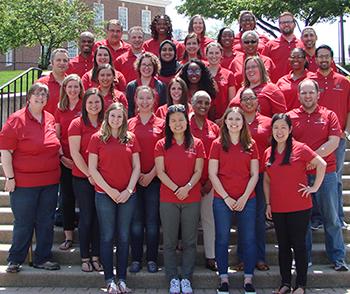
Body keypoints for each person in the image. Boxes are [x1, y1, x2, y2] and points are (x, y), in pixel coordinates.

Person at [287, 79, 348, 272]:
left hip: (326, 174)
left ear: (317, 94)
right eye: (303, 93)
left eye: (310, 92)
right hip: (300, 176)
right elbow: (288, 144)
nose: (307, 96)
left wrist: (312, 158)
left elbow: (334, 142)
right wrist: (308, 160)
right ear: (298, 96)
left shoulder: (329, 115)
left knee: (331, 218)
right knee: (302, 221)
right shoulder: (290, 117)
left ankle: (338, 257)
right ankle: (304, 258)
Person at [1, 83, 61, 273]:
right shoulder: (16, 120)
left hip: (50, 182)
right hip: (24, 183)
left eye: (44, 94)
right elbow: (5, 152)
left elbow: (54, 144)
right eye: (36, 94)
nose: (41, 97)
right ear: (29, 97)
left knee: (46, 221)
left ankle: (42, 258)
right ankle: (15, 259)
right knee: (24, 222)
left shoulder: (50, 118)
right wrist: (9, 177)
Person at [263, 113, 326, 294]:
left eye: (283, 127)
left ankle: (300, 285)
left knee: (299, 245)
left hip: (299, 207)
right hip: (278, 207)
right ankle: (285, 283)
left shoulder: (301, 148)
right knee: (283, 246)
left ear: (290, 130)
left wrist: (314, 188)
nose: (279, 131)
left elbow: (320, 164)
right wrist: (268, 203)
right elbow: (267, 179)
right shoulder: (269, 152)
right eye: (276, 128)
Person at [88, 102, 140, 293]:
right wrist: (109, 190)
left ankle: (122, 279)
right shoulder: (97, 138)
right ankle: (109, 279)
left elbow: (137, 167)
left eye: (120, 116)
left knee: (124, 236)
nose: (116, 120)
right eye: (113, 116)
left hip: (128, 195)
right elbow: (93, 168)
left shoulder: (131, 138)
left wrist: (128, 190)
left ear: (124, 119)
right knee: (107, 236)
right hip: (104, 195)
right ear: (107, 117)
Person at [155, 104, 205, 294]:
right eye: (173, 120)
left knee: (190, 241)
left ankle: (186, 278)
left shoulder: (197, 143)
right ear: (168, 123)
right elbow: (160, 172)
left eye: (181, 120)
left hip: (191, 198)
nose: (177, 124)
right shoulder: (161, 144)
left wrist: (188, 188)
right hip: (168, 198)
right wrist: (177, 189)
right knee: (169, 241)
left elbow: (198, 170)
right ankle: (172, 278)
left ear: (187, 122)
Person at [209, 107, 259, 294]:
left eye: (238, 119)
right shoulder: (217, 144)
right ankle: (223, 278)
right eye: (230, 119)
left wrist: (245, 196)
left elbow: (254, 174)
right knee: (222, 238)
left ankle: (248, 279)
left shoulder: (251, 144)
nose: (234, 122)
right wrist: (227, 197)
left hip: (248, 199)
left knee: (248, 238)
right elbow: (212, 174)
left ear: (243, 122)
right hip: (222, 199)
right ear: (225, 121)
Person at [307, 45, 350, 229]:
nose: (323, 59)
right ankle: (317, 217)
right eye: (320, 57)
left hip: (336, 138)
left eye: (327, 56)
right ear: (315, 60)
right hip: (315, 136)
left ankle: (338, 216)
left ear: (332, 58)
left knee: (336, 178)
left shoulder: (344, 81)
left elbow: (349, 109)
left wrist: (346, 131)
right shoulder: (310, 81)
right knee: (313, 176)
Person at [128, 86, 165, 274]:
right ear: (135, 100)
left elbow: (166, 154)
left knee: (152, 222)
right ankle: (135, 259)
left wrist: (151, 174)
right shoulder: (128, 124)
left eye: (148, 98)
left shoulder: (161, 124)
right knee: (135, 222)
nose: (144, 102)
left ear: (154, 100)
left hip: (154, 179)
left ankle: (151, 259)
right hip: (132, 181)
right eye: (141, 98)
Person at [68, 88, 104, 272]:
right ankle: (85, 257)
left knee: (99, 218)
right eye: (90, 102)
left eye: (97, 102)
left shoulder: (106, 123)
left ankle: (96, 255)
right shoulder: (76, 123)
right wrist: (90, 174)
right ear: (84, 104)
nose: (93, 105)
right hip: (83, 178)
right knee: (87, 217)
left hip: (103, 179)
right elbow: (75, 153)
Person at [238, 88, 272, 272]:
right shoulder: (236, 120)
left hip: (260, 176)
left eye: (252, 98)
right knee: (243, 219)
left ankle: (259, 257)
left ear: (258, 101)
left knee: (258, 218)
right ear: (240, 102)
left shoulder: (267, 123)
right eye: (245, 99)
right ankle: (243, 256)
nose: (249, 102)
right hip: (240, 175)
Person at [189, 91, 220, 272]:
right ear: (192, 104)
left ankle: (210, 256)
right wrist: (193, 182)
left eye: (206, 102)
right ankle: (189, 256)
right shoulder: (185, 125)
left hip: (209, 183)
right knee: (190, 222)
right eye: (199, 102)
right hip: (190, 182)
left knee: (209, 220)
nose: (203, 105)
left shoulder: (214, 128)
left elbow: (217, 156)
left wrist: (209, 181)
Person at [55, 74, 83, 251]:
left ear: (81, 88)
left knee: (84, 199)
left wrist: (80, 161)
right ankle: (68, 236)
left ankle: (88, 235)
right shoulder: (60, 108)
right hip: (65, 160)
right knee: (66, 199)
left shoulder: (86, 105)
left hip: (83, 161)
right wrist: (62, 157)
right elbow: (56, 136)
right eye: (69, 87)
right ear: (64, 89)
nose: (73, 90)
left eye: (76, 86)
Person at [262, 12, 303, 82]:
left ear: (294, 24)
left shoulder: (302, 44)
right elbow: (262, 68)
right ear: (279, 25)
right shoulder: (270, 45)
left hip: (301, 88)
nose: (286, 24)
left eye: (289, 22)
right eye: (283, 22)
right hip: (276, 88)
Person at [126, 52, 167, 118]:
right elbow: (130, 110)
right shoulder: (131, 86)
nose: (146, 67)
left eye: (150, 65)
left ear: (154, 67)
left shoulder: (161, 86)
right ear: (139, 67)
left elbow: (162, 109)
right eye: (144, 64)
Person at [206, 42, 236, 122]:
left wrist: (223, 119)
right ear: (206, 55)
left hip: (224, 119)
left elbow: (232, 101)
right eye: (211, 53)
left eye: (217, 53)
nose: (214, 56)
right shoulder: (202, 73)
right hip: (205, 118)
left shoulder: (229, 74)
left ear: (221, 55)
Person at [37, 48, 69, 114]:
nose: (62, 63)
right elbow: (34, 108)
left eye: (65, 60)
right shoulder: (41, 84)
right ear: (51, 62)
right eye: (58, 60)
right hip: (48, 123)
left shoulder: (72, 84)